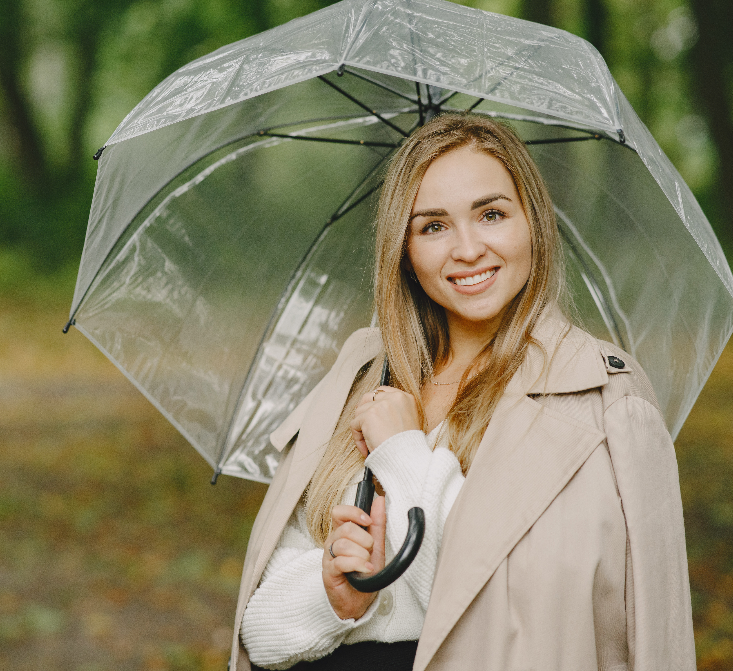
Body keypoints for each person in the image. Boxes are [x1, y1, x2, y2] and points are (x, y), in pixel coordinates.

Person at [229, 114, 697, 671]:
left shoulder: (604, 401)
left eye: (491, 214)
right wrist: (336, 595)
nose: (468, 248)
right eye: (433, 226)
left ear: (533, 223)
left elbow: (532, 613)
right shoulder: (362, 378)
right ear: (402, 250)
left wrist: (403, 457)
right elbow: (259, 632)